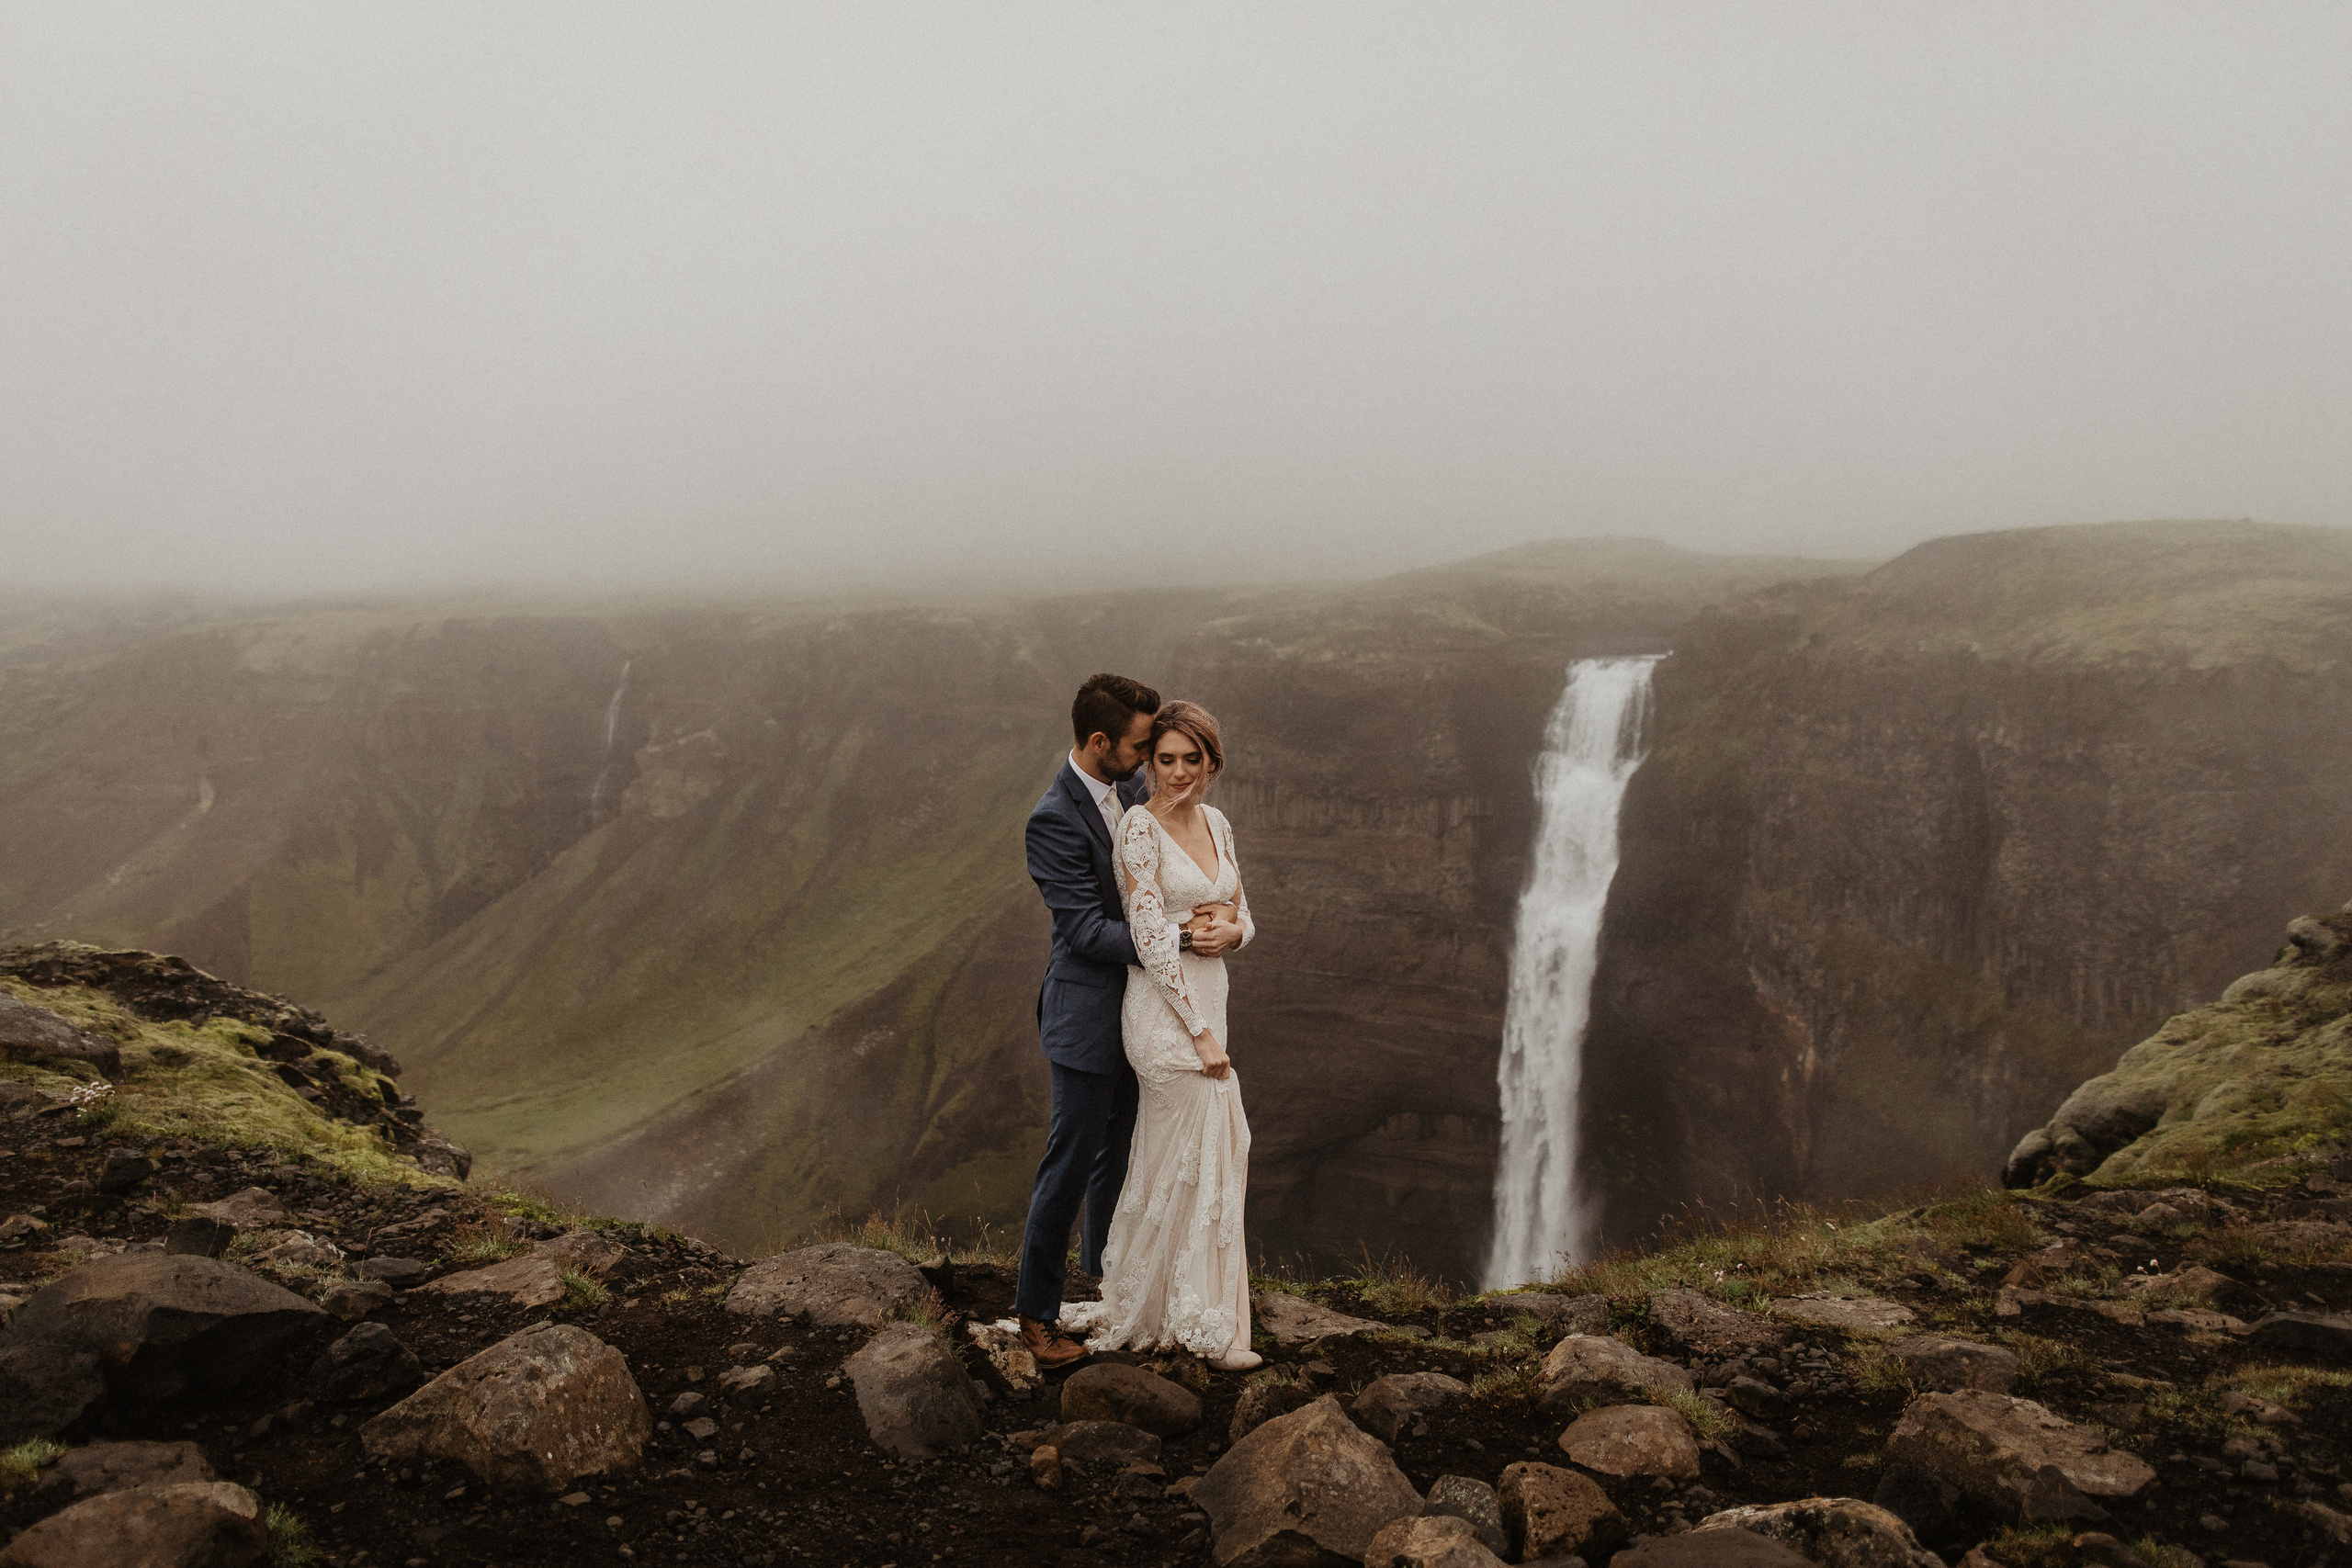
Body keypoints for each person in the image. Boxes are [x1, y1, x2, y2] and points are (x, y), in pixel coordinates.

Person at [1015, 675, 1242, 1368]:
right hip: (1088, 1013)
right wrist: (1180, 937)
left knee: (1124, 1157)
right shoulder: (1053, 817)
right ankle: (1035, 1312)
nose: (1156, 763)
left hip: (1149, 1011)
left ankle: (1122, 1287)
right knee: (1071, 1159)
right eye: (1144, 748)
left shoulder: (1140, 801)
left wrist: (1227, 926)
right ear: (1099, 743)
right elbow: (1085, 930)